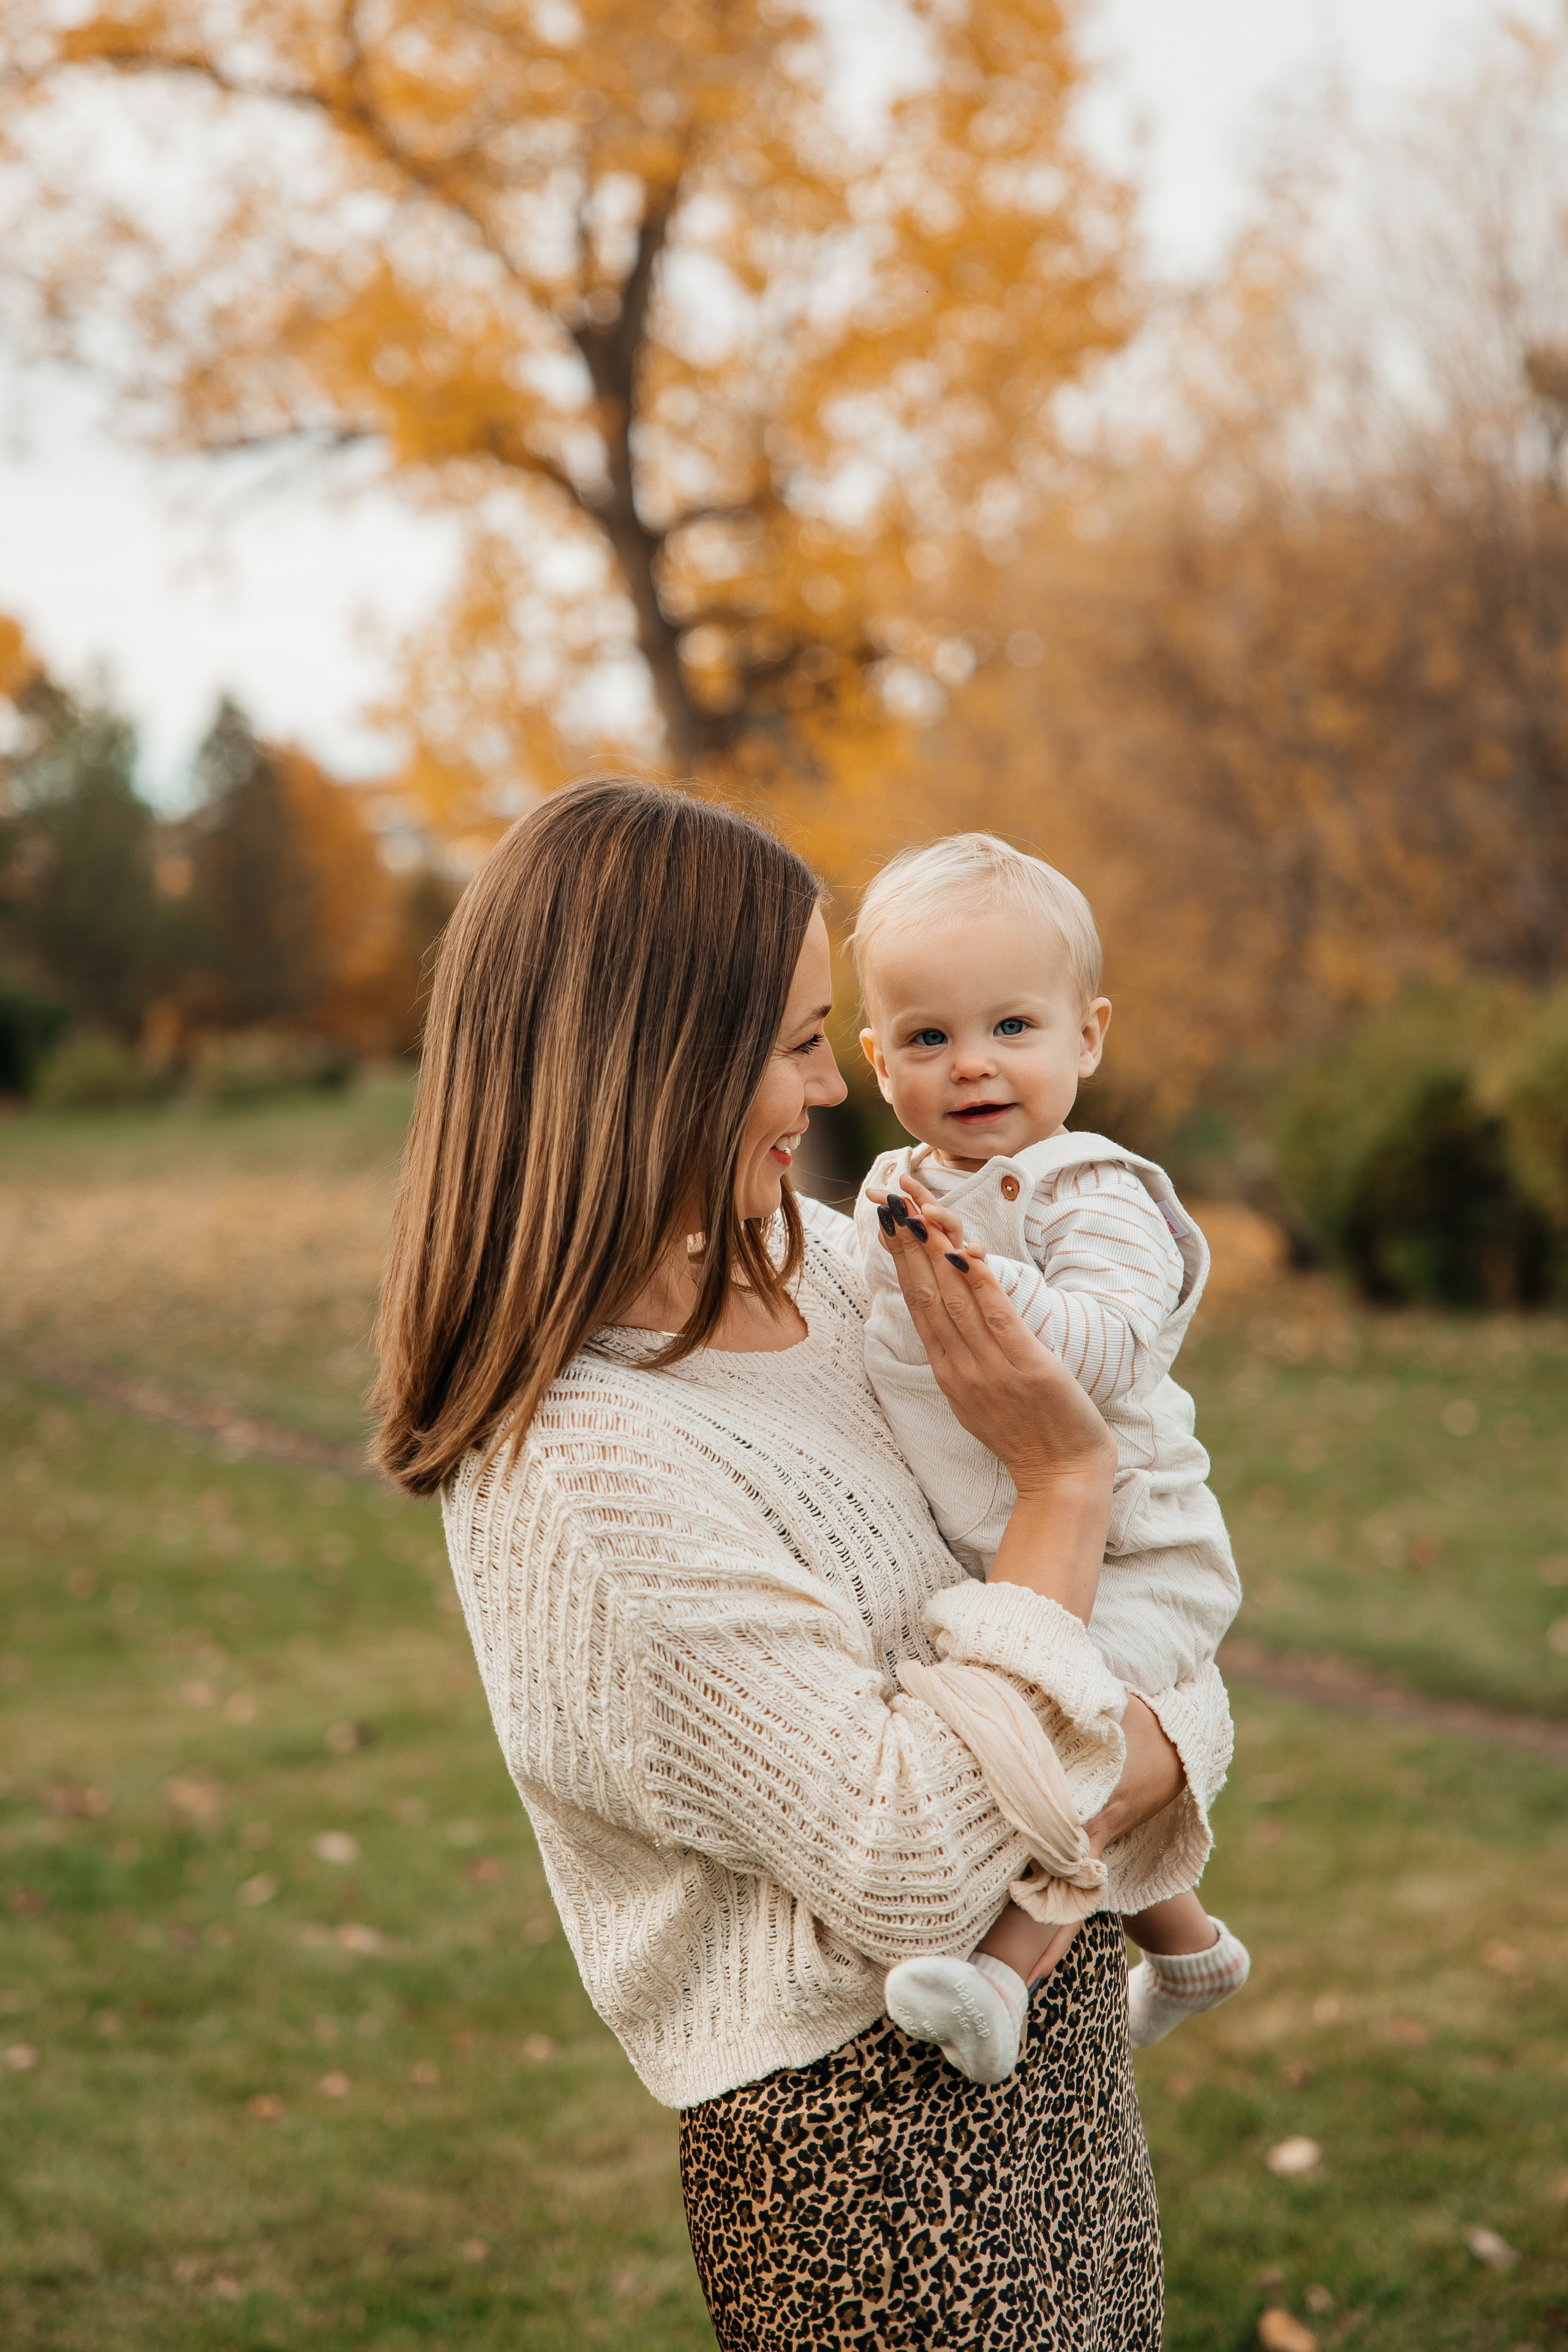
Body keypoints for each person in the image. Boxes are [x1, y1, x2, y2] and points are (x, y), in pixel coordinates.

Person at [372, 777, 1234, 2352]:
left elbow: (1161, 1651)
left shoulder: (842, 1272)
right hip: (866, 2171)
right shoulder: (583, 1472)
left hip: (1054, 2073)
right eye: (790, 1044)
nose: (830, 1093)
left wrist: (1145, 1720)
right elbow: (911, 1865)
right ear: (653, 1068)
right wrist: (1062, 1484)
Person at [851, 832, 1250, 2081]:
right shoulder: (892, 1194)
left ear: (1087, 1036)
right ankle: (1188, 1948)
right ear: (877, 1063)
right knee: (1060, 1725)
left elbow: (1116, 1342)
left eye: (1011, 1027)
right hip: (1017, 1547)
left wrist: (982, 1275)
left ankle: (996, 1978)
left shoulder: (1087, 1194)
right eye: (926, 1038)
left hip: (1138, 1553)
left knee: (1063, 1746)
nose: (970, 1064)